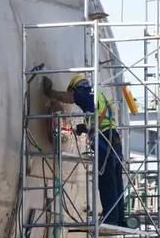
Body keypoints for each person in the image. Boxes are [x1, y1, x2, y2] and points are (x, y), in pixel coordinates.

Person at [42, 74, 126, 227]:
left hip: (104, 140)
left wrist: (50, 92)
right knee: (116, 180)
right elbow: (99, 118)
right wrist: (84, 128)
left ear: (76, 86)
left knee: (106, 180)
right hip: (114, 139)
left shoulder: (85, 92)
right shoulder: (99, 95)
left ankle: (110, 219)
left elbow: (70, 97)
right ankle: (120, 219)